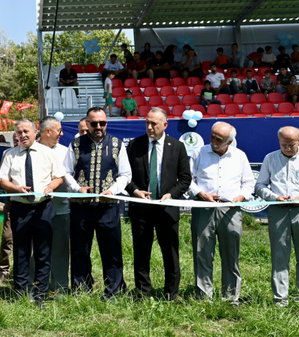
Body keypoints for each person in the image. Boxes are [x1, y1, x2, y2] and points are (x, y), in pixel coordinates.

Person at [123, 108, 192, 299]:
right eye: (147, 122)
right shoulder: (135, 145)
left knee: (170, 253)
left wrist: (171, 194)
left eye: (154, 123)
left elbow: (185, 178)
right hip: (141, 208)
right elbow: (125, 176)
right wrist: (135, 191)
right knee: (141, 252)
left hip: (167, 208)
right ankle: (143, 292)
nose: (149, 127)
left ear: (165, 125)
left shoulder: (177, 146)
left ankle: (171, 293)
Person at [255, 126, 299, 306]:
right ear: (279, 141)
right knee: (279, 255)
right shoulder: (270, 158)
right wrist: (274, 197)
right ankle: (280, 298)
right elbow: (260, 186)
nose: (287, 148)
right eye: (284, 144)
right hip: (278, 210)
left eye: (292, 144)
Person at [0, 119, 65, 304]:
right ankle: (20, 292)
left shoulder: (48, 152)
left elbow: (59, 177)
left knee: (43, 253)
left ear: (35, 132)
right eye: (19, 132)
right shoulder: (9, 154)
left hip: (43, 208)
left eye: (26, 131)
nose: (23, 135)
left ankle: (40, 293)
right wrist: (15, 189)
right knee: (21, 252)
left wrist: (51, 187)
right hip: (20, 209)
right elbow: (2, 180)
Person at [66, 107, 131, 296]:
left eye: (102, 123)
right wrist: (77, 189)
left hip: (108, 207)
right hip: (81, 206)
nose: (99, 127)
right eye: (94, 123)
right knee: (80, 250)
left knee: (112, 251)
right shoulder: (75, 144)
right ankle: (80, 290)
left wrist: (112, 191)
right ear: (87, 124)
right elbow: (66, 172)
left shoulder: (117, 144)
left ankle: (114, 291)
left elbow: (125, 174)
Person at [188, 122, 254, 304]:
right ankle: (204, 297)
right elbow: (188, 179)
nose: (213, 141)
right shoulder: (199, 153)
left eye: (219, 139)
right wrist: (200, 193)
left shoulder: (239, 156)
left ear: (229, 142)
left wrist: (241, 197)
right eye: (212, 136)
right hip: (203, 207)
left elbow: (249, 183)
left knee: (231, 255)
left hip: (230, 210)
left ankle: (231, 297)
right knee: (202, 253)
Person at [37, 117, 78, 292]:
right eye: (59, 130)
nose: (61, 134)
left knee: (60, 250)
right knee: (35, 251)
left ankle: (60, 287)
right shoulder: (33, 150)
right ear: (48, 132)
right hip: (36, 210)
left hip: (61, 209)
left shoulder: (65, 151)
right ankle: (35, 286)